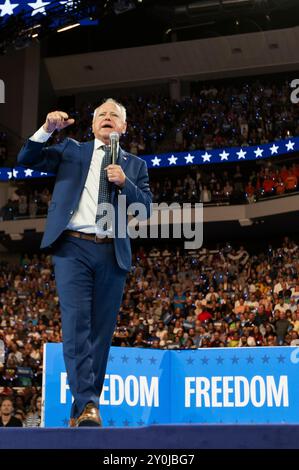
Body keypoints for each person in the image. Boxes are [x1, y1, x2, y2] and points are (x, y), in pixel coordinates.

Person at [17, 98, 152, 427]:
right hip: (73, 248)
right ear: (93, 126)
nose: (107, 118)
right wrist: (48, 129)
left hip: (111, 252)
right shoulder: (71, 150)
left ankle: (81, 410)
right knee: (77, 326)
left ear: (123, 127)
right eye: (101, 115)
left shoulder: (135, 165)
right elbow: (27, 159)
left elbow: (145, 207)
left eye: (114, 116)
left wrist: (126, 183)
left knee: (100, 335)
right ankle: (90, 403)